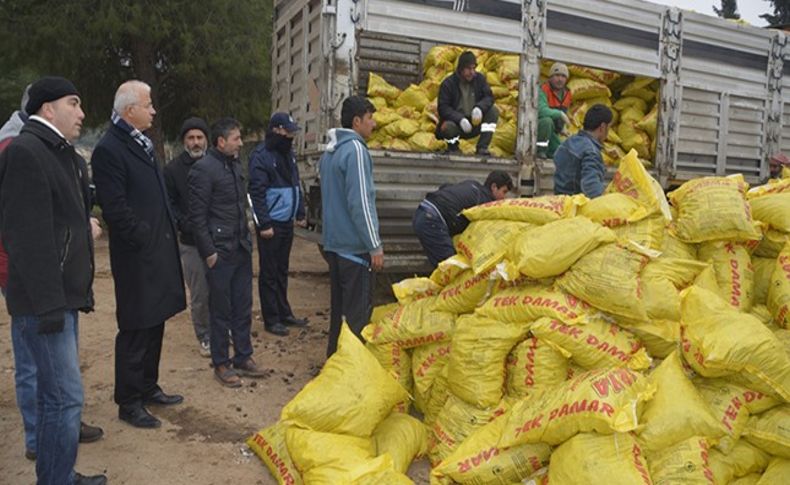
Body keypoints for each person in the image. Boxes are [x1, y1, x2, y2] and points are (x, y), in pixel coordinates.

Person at [0, 76, 106, 484]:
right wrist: (48, 307)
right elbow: (27, 240)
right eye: (73, 103)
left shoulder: (59, 153)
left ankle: (59, 475)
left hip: (61, 298)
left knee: (56, 398)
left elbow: (63, 221)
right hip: (45, 303)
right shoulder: (28, 152)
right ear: (48, 108)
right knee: (64, 399)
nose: (81, 113)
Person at [92, 80, 186, 429]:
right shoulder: (109, 149)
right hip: (136, 255)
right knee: (135, 326)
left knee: (155, 320)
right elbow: (114, 208)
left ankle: (148, 386)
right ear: (129, 110)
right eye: (148, 105)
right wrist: (143, 236)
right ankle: (128, 401)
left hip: (156, 250)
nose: (153, 110)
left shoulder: (141, 142)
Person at [189, 117, 266, 387]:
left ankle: (243, 356)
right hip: (219, 253)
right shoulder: (203, 170)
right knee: (220, 311)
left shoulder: (234, 165)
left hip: (240, 248)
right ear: (221, 142)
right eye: (236, 138)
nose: (240, 143)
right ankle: (221, 363)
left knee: (243, 307)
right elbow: (197, 218)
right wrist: (209, 252)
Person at [319, 96, 383, 357]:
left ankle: (335, 360)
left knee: (340, 313)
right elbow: (361, 204)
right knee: (357, 317)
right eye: (370, 119)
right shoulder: (355, 150)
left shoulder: (330, 153)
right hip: (354, 249)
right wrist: (374, 245)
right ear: (357, 122)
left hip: (334, 245)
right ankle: (351, 372)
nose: (374, 124)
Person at [248, 112, 309, 337]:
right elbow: (256, 193)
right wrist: (264, 224)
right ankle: (271, 318)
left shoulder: (288, 154)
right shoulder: (261, 156)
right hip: (270, 224)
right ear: (276, 130)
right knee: (269, 272)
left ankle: (284, 313)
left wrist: (300, 210)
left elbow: (295, 184)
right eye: (287, 131)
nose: (291, 135)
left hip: (286, 222)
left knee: (282, 270)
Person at [165, 117, 212, 356]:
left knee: (221, 290)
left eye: (199, 138)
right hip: (191, 243)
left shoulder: (216, 164)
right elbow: (169, 203)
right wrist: (184, 223)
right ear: (184, 141)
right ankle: (204, 336)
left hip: (217, 241)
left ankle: (221, 331)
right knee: (200, 293)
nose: (195, 143)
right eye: (191, 138)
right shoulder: (173, 170)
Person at [412, 170, 513, 268]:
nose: (504, 198)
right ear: (494, 187)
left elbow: (445, 187)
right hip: (432, 220)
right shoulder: (484, 202)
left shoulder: (472, 185)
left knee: (441, 267)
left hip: (422, 212)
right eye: (504, 192)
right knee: (451, 268)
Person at [436, 51, 498, 156]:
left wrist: (479, 108)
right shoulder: (448, 84)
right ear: (461, 69)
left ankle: (482, 147)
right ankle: (453, 147)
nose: (472, 72)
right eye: (469, 69)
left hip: (475, 124)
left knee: (493, 111)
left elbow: (489, 97)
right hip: (457, 125)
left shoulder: (480, 80)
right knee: (447, 127)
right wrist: (460, 119)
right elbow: (443, 108)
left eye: (474, 68)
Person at [553, 103, 613, 198]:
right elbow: (591, 186)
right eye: (608, 128)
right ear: (602, 127)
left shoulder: (568, 142)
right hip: (576, 207)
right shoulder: (591, 151)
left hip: (560, 202)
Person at [537, 62, 572, 159]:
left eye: (563, 76)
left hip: (554, 133)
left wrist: (562, 129)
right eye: (557, 75)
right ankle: (540, 151)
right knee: (546, 121)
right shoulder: (543, 90)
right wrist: (560, 114)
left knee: (565, 153)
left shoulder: (567, 94)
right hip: (539, 130)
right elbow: (541, 110)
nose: (560, 79)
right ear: (550, 77)